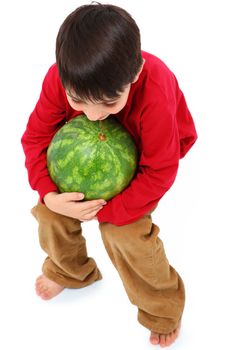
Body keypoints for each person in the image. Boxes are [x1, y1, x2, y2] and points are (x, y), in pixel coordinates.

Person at [21, 3, 197, 347]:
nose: (94, 115)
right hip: (87, 154)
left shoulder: (155, 91)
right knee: (49, 215)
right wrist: (50, 194)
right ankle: (69, 271)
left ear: (135, 74)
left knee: (126, 236)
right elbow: (35, 138)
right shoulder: (60, 78)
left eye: (109, 104)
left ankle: (162, 308)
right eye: (78, 102)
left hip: (146, 155)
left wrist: (108, 213)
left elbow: (160, 171)